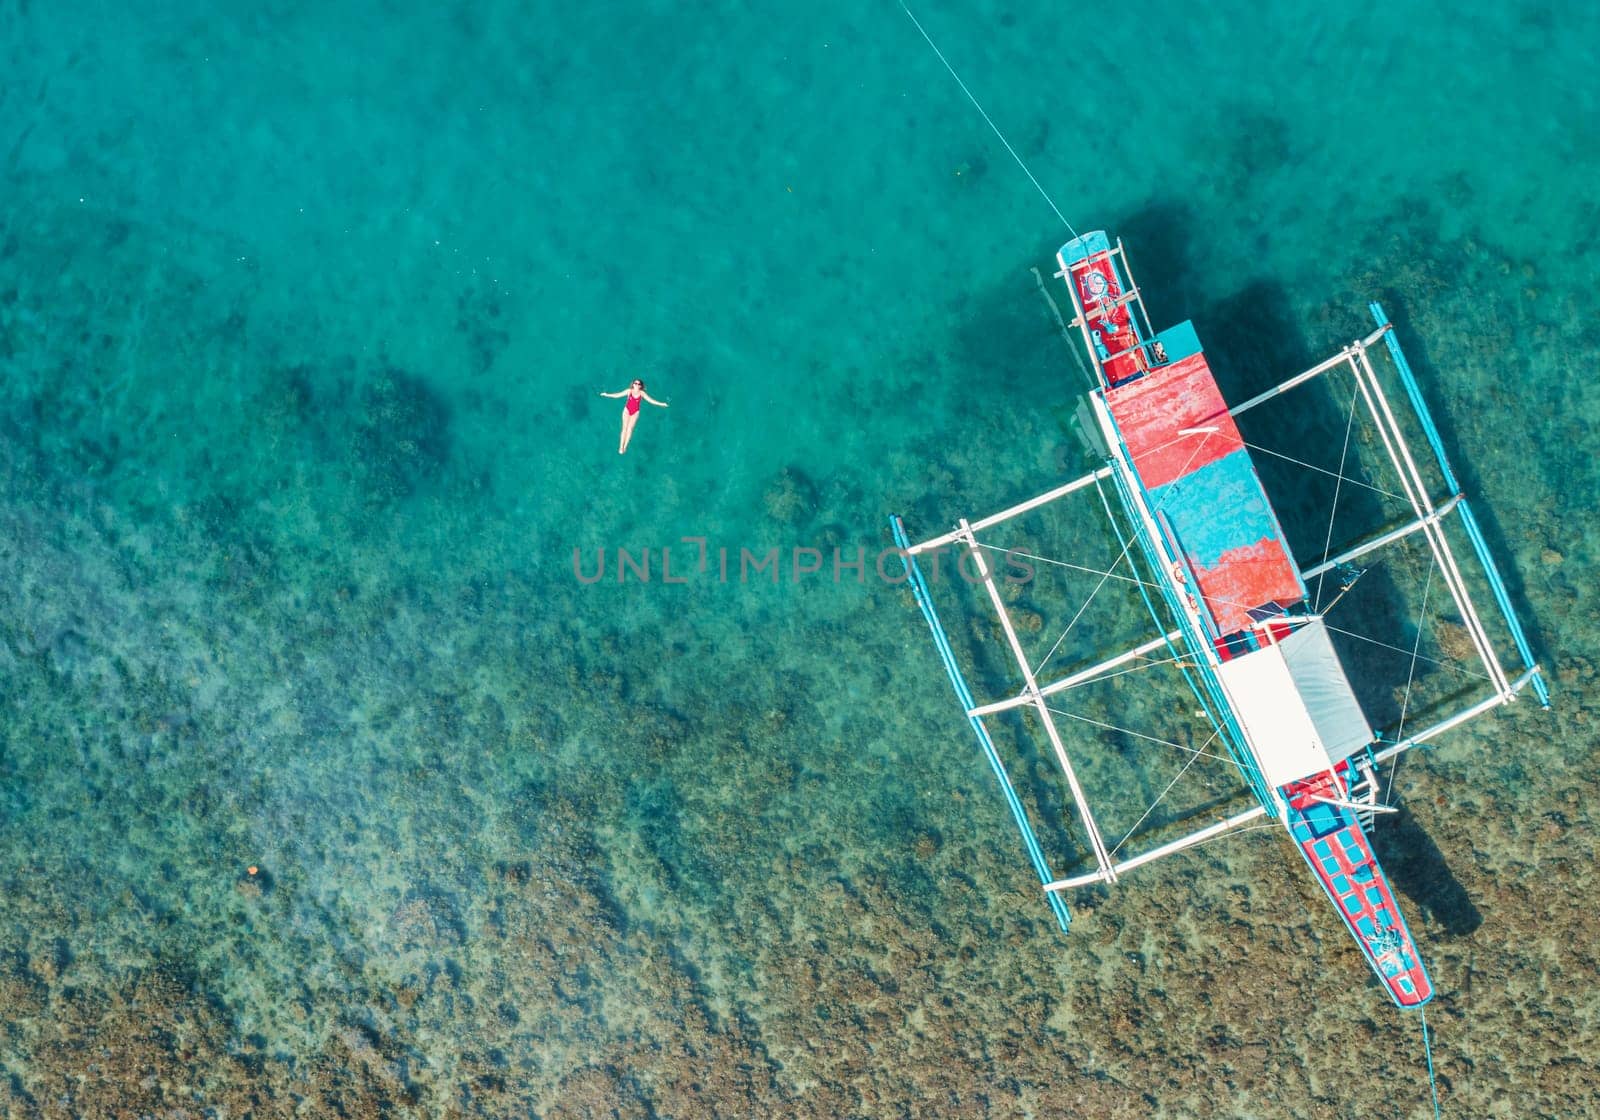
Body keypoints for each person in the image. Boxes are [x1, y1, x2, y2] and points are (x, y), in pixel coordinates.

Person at [599, 379, 668, 454]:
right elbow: (617, 395)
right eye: (636, 383)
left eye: (639, 384)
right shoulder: (629, 391)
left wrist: (662, 404)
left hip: (635, 412)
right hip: (627, 410)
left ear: (641, 386)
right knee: (624, 428)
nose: (637, 385)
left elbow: (651, 400)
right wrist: (606, 394)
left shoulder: (642, 393)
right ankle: (621, 447)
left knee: (630, 429)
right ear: (633, 384)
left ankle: (625, 446)